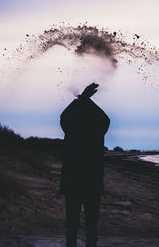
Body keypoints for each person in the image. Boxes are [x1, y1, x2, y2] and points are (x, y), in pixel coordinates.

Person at [59, 83, 110, 247]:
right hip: (92, 182)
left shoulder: (71, 131)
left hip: (73, 181)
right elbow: (105, 119)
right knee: (91, 225)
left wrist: (83, 99)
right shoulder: (97, 133)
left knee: (72, 224)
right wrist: (86, 100)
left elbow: (65, 116)